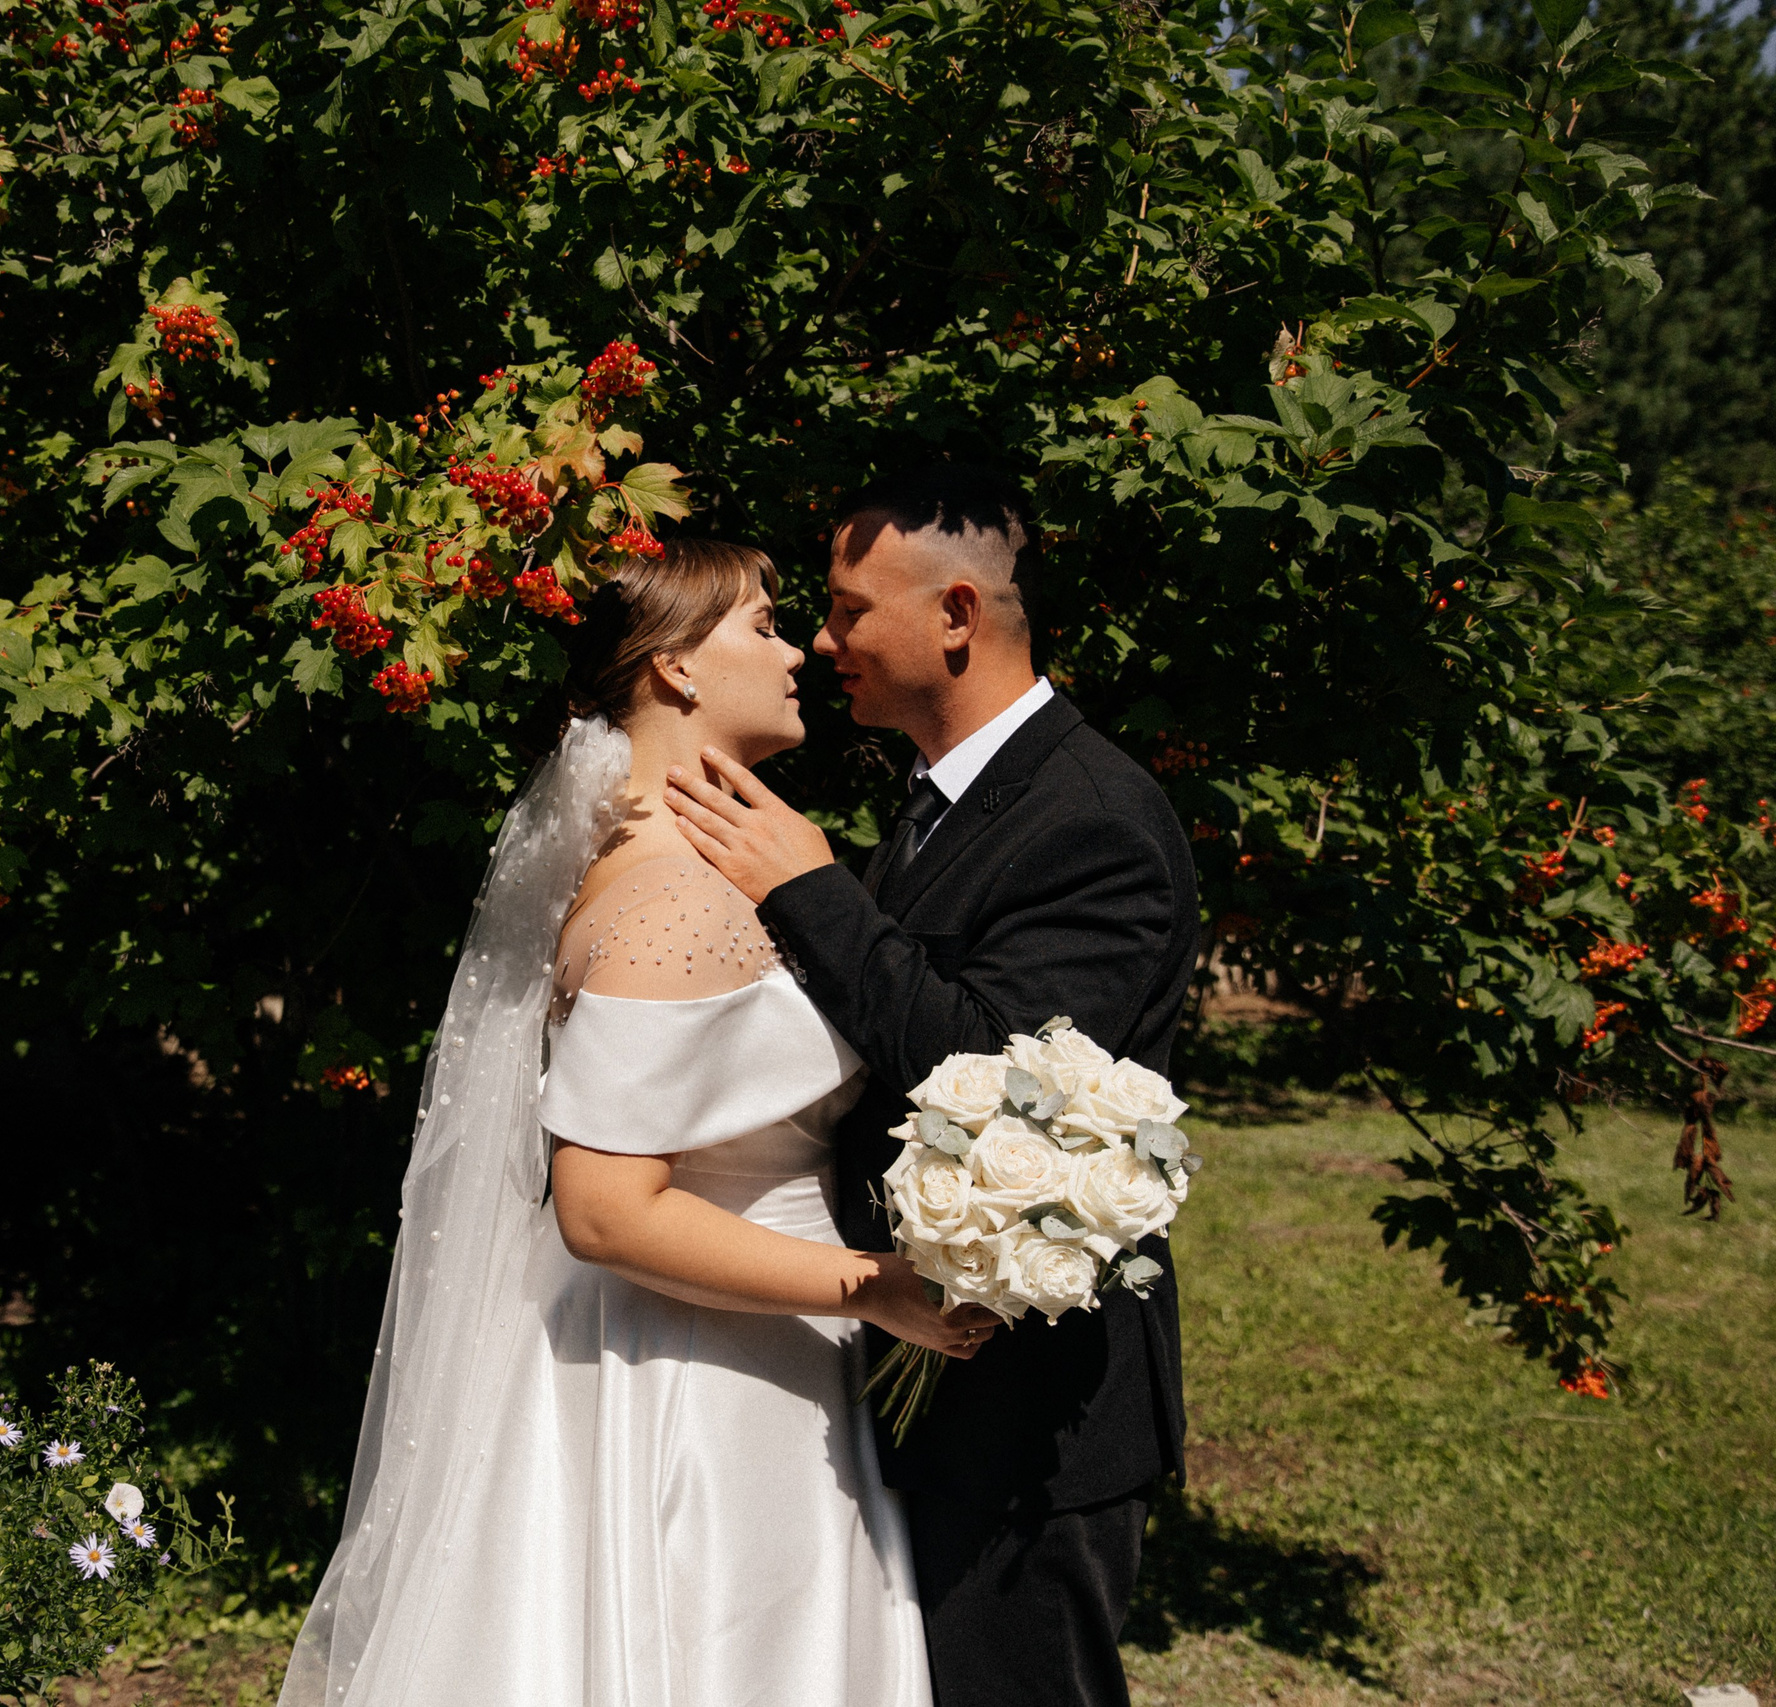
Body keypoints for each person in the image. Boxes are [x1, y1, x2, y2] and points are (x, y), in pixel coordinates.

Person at [277, 538, 991, 1707]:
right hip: (694, 1371)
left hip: (739, 1335)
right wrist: (874, 1287)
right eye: (762, 625)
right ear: (675, 668)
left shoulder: (675, 863)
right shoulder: (674, 894)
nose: (797, 653)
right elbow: (606, 1211)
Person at [664, 462, 1203, 1707]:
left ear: (956, 614)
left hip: (1026, 1413)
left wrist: (809, 891)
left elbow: (1003, 1084)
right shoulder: (937, 800)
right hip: (919, 1374)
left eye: (848, 609)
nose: (822, 641)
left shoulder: (1095, 822)